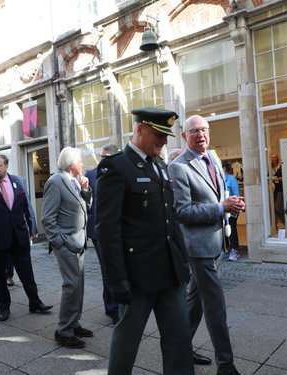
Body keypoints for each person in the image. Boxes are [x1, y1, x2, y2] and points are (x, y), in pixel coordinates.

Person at [95, 107, 194, 375]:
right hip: (137, 275)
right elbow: (107, 230)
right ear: (140, 129)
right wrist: (117, 280)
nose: (164, 141)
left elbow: (171, 220)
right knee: (127, 340)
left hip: (170, 271)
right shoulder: (114, 166)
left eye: (165, 136)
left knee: (179, 338)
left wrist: (183, 262)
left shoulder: (160, 165)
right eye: (159, 134)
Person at [168, 115, 245, 375]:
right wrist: (220, 207)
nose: (200, 135)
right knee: (215, 307)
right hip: (198, 249)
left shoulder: (211, 158)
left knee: (195, 302)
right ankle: (226, 366)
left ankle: (180, 350)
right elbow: (182, 212)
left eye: (204, 130)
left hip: (215, 244)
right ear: (184, 136)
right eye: (194, 131)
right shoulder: (178, 167)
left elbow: (219, 195)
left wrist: (231, 206)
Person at [0, 154, 52, 322]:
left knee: (27, 272)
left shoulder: (19, 181)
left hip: (19, 236)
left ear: (6, 166)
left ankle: (35, 302)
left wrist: (32, 227)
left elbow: (26, 206)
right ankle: (4, 308)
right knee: (0, 275)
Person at [41, 147, 93, 349]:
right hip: (67, 244)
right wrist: (60, 243)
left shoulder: (75, 181)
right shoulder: (56, 182)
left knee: (78, 286)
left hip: (79, 241)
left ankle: (74, 323)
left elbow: (85, 208)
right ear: (72, 164)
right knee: (72, 286)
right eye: (80, 161)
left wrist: (86, 190)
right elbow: (47, 218)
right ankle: (63, 331)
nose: (82, 165)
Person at [84, 143, 120, 325]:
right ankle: (113, 309)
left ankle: (114, 304)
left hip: (120, 230)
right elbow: (84, 200)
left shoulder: (121, 173)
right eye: (101, 157)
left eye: (106, 157)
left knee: (117, 269)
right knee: (107, 270)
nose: (102, 161)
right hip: (99, 231)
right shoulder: (90, 175)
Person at [222, 162, 241, 261]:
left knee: (232, 228)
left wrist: (233, 206)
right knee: (223, 230)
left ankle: (235, 250)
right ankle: (226, 249)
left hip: (232, 208)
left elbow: (236, 195)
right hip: (222, 208)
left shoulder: (231, 179)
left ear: (224, 168)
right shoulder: (218, 178)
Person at [271, 153, 284, 226]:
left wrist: (276, 179)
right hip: (273, 189)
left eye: (274, 157)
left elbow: (283, 177)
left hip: (280, 188)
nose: (273, 159)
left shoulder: (280, 167)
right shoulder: (270, 168)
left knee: (279, 205)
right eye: (272, 157)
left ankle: (282, 220)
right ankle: (279, 217)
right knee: (272, 205)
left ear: (277, 158)